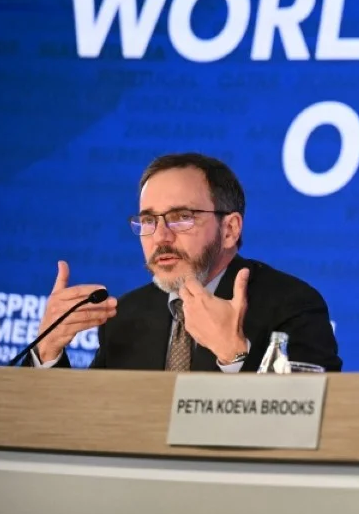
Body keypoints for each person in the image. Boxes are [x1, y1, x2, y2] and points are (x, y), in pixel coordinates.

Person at [28, 153, 342, 372]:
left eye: (181, 218)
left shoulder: (292, 307)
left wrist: (234, 357)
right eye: (148, 220)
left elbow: (310, 419)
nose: (161, 236)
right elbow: (90, 422)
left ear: (230, 229)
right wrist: (48, 352)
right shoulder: (126, 317)